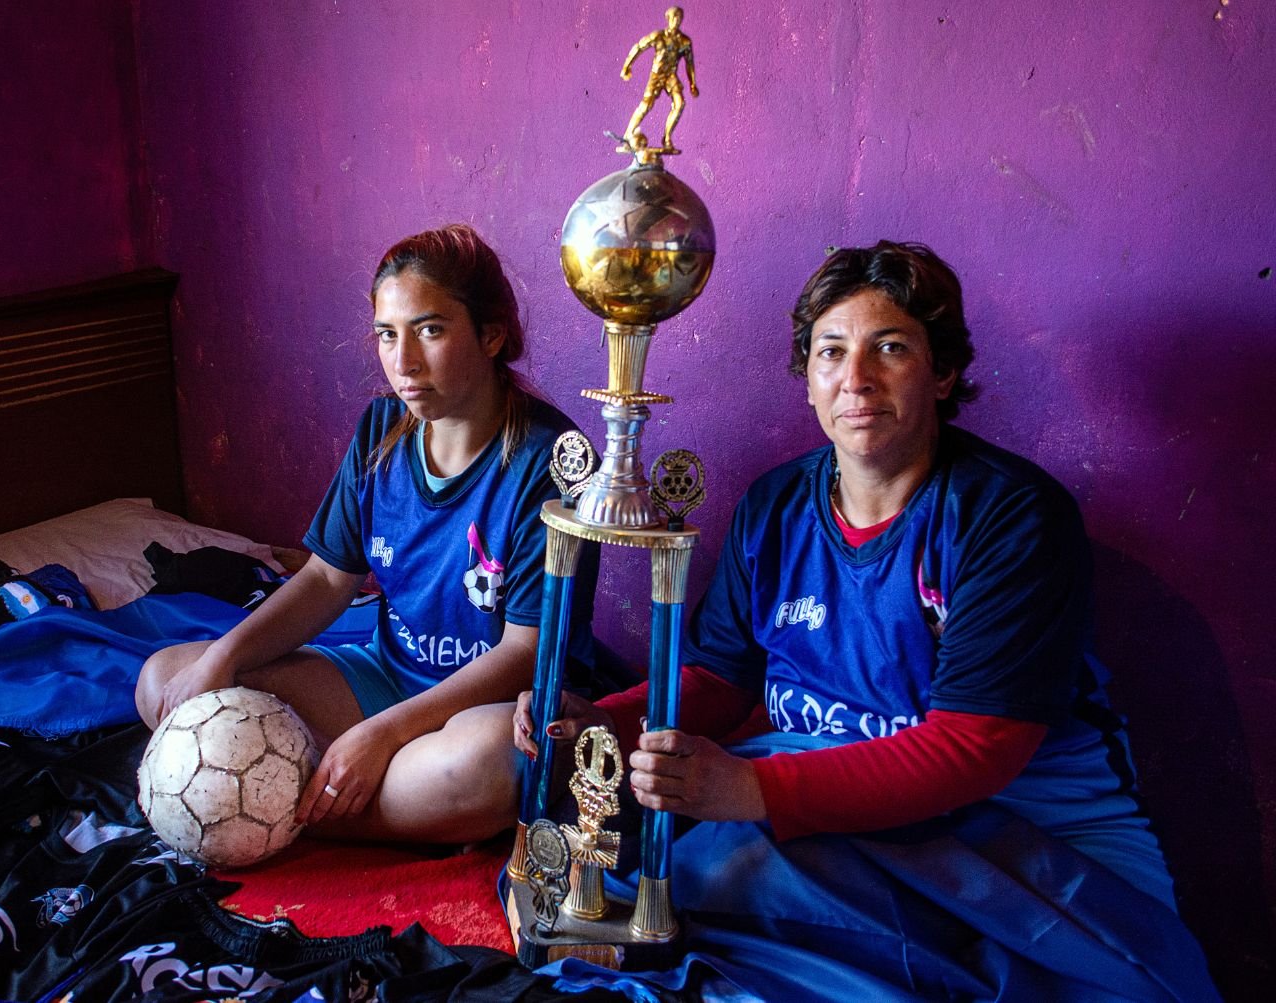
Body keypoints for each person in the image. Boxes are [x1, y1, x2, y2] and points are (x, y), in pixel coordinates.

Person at [514, 241, 1216, 999]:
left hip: (1029, 835)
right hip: (828, 802)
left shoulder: (1010, 518)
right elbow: (719, 678)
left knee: (703, 884)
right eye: (831, 352)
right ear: (808, 380)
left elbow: (975, 749)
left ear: (943, 374)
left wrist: (751, 791)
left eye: (890, 348)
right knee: (573, 868)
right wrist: (598, 724)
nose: (856, 378)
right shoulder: (775, 506)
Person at [137, 223, 596, 845]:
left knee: (496, 761)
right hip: (380, 677)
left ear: (491, 334)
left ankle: (293, 815)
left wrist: (381, 737)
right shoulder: (382, 430)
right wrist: (223, 658)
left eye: (430, 330)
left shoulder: (555, 462)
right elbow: (328, 579)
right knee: (167, 678)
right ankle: (356, 805)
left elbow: (523, 655)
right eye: (387, 334)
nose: (402, 362)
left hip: (480, 710)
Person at [621, 6, 698, 150]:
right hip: (657, 75)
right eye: (674, 17)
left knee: (679, 103)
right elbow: (639, 47)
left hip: (670, 76)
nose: (677, 21)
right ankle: (627, 135)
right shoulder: (658, 36)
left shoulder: (684, 41)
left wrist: (692, 83)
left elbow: (689, 63)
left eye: (679, 18)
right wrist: (627, 66)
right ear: (668, 19)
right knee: (645, 106)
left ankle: (667, 138)